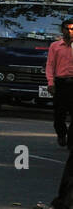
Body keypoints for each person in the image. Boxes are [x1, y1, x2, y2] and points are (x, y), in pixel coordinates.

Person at [45, 18, 73, 147]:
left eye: (72, 29)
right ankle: (62, 134)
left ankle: (71, 139)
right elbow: (50, 65)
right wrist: (51, 82)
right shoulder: (55, 46)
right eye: (67, 29)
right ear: (62, 30)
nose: (69, 32)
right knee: (59, 114)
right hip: (61, 83)